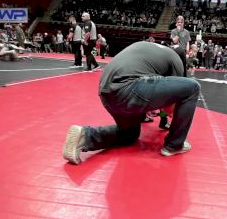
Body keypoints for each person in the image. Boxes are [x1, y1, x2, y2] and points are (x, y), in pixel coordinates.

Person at [62, 41, 201, 165]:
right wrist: (166, 113)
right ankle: (174, 145)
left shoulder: (150, 49)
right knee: (193, 87)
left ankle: (86, 135)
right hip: (129, 88)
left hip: (106, 93)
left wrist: (151, 105)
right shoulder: (176, 59)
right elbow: (170, 107)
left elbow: (153, 85)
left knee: (129, 134)